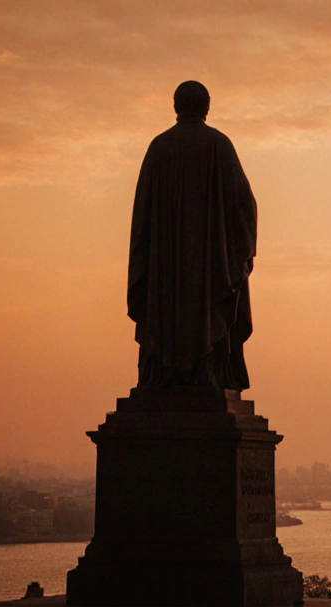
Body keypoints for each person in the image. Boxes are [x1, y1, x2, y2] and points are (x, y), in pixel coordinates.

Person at [128, 80, 257, 391]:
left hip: (165, 270)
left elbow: (142, 214)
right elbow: (245, 204)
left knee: (169, 312)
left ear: (176, 106)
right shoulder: (218, 145)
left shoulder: (159, 148)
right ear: (206, 107)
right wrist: (239, 255)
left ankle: (163, 372)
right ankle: (206, 370)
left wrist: (145, 259)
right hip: (210, 269)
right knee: (210, 312)